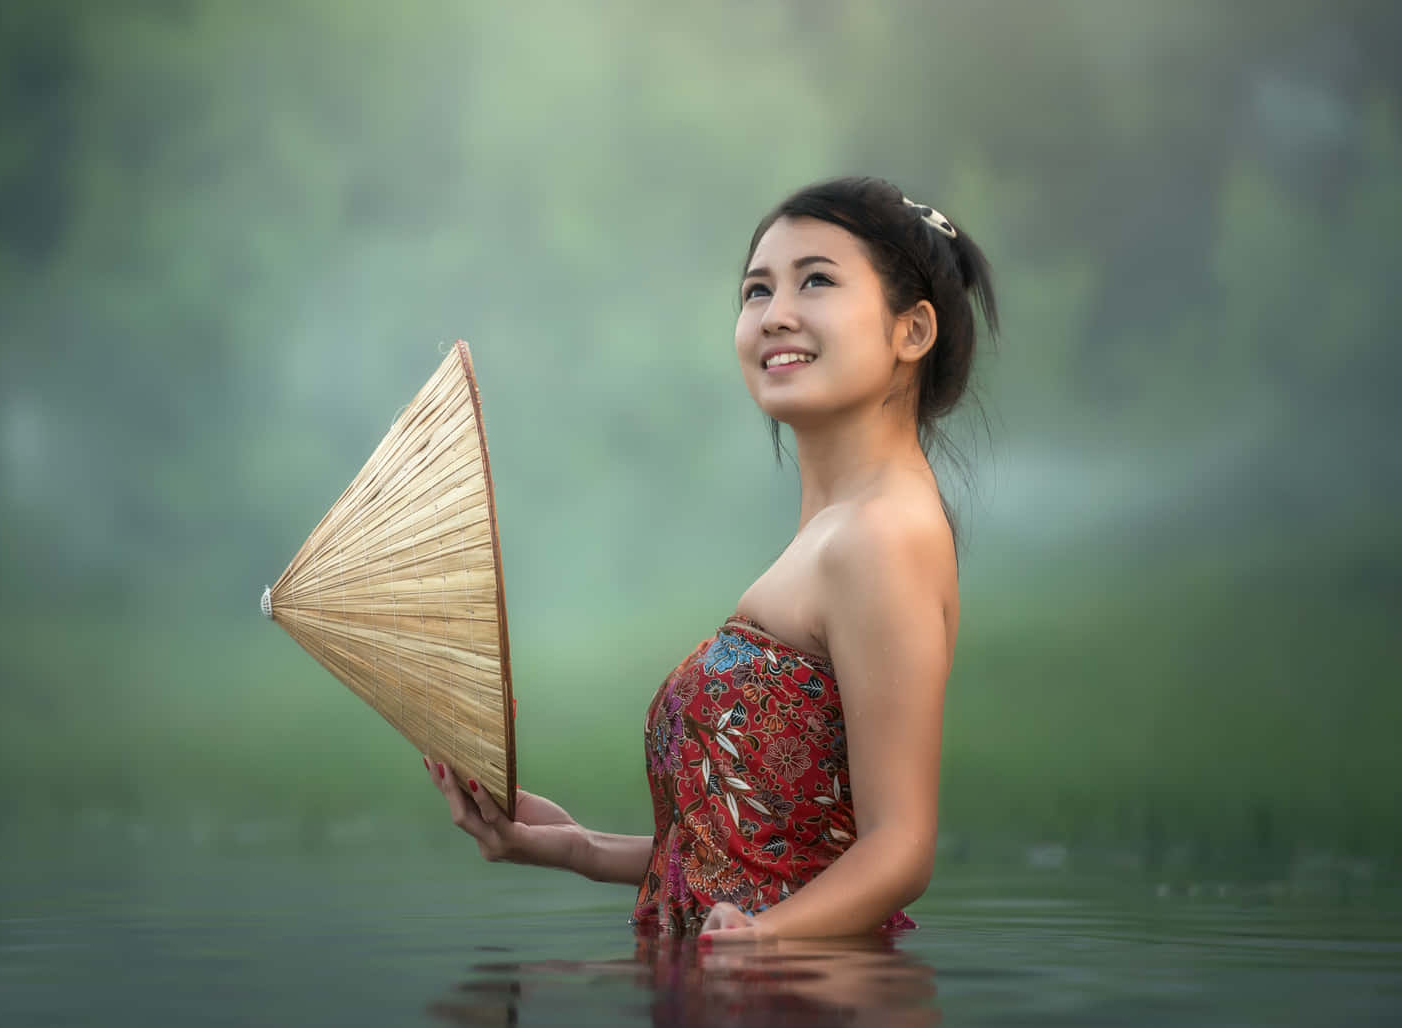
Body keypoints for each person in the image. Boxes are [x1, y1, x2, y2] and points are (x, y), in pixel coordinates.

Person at [425, 176, 997, 942]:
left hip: (810, 1023)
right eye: (755, 291)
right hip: (737, 1007)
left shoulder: (881, 536)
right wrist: (572, 846)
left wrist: (762, 943)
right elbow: (761, 854)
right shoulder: (834, 533)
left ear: (912, 332)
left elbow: (899, 850)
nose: (775, 314)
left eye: (816, 280)